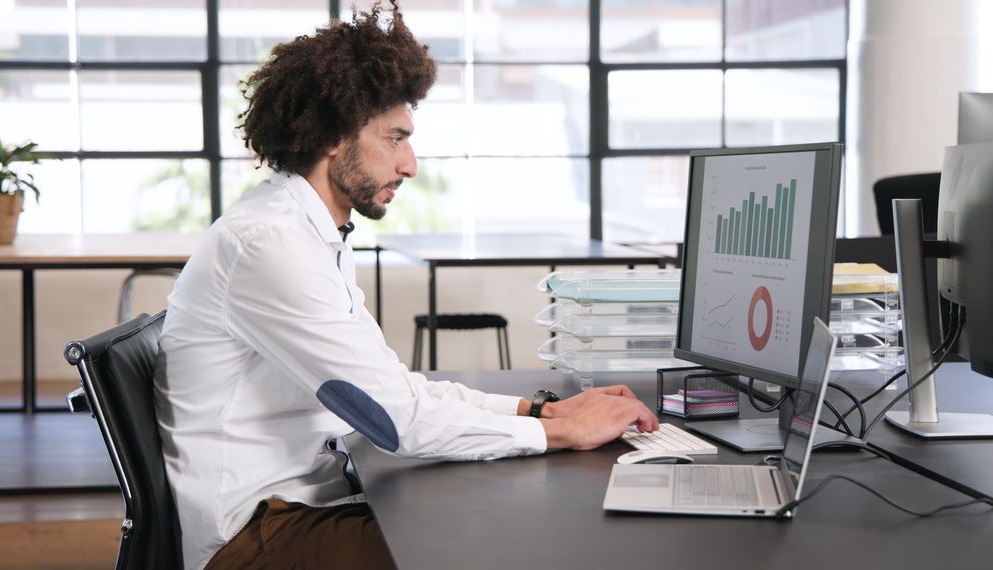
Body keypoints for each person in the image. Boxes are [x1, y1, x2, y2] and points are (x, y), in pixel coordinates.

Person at [154, 2, 659, 568]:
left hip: (306, 500)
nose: (410, 164)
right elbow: (397, 423)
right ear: (331, 135)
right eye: (395, 138)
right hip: (256, 536)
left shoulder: (310, 232)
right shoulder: (269, 244)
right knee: (515, 537)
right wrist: (567, 433)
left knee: (508, 507)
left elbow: (397, 390)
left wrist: (544, 413)